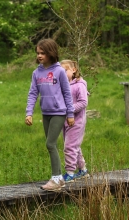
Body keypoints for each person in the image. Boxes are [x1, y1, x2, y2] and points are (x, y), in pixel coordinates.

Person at [25, 38, 75, 191]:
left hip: (59, 112)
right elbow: (33, 93)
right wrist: (29, 112)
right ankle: (59, 179)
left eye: (43, 53)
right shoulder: (37, 72)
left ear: (51, 53)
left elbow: (67, 93)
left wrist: (70, 114)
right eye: (38, 53)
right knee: (50, 146)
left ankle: (55, 179)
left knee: (50, 144)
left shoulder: (59, 71)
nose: (40, 56)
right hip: (45, 113)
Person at [60, 60, 90, 182]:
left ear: (73, 70)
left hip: (77, 121)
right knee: (74, 146)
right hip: (65, 121)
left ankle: (70, 173)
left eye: (65, 70)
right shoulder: (62, 85)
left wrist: (69, 109)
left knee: (69, 147)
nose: (62, 73)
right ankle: (83, 170)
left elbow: (83, 102)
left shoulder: (79, 85)